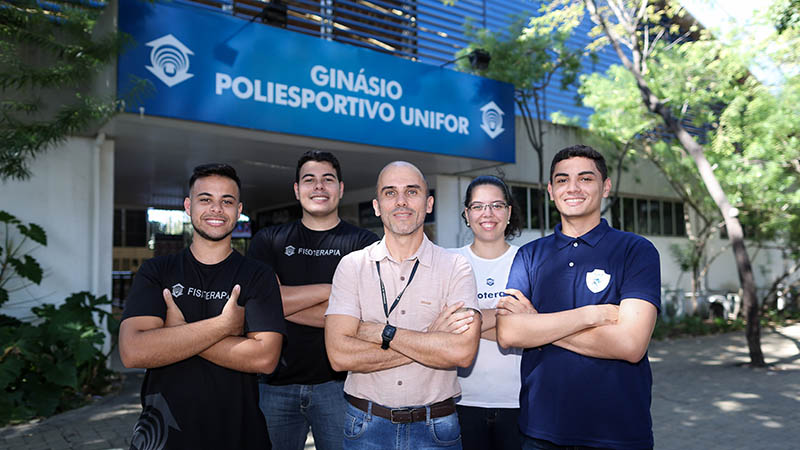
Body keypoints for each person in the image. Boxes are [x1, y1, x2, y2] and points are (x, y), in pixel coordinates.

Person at [497, 145, 660, 450]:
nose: (572, 188)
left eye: (585, 179)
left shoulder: (636, 251)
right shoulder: (529, 256)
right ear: (550, 190)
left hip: (618, 432)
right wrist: (591, 315)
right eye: (562, 180)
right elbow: (508, 333)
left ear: (606, 187)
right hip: (540, 432)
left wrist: (537, 325)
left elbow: (631, 345)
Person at [119, 163, 285, 449]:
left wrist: (178, 333)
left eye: (227, 201)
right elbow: (133, 352)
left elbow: (264, 359)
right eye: (205, 199)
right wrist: (223, 327)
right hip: (164, 436)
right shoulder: (157, 271)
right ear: (188, 205)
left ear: (239, 209)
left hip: (239, 435)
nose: (216, 209)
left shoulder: (258, 275)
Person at [325, 161, 482, 450]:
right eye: (390, 193)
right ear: (376, 206)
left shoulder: (456, 267)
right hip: (365, 426)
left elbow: (461, 352)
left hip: (437, 428)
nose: (401, 201)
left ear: (429, 202)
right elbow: (338, 355)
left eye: (412, 191)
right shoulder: (352, 266)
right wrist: (431, 338)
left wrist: (381, 333)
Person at [247, 150, 379, 450]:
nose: (318, 186)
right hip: (274, 385)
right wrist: (336, 291)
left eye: (327, 179)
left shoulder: (364, 245)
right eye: (309, 179)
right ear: (297, 189)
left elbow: (366, 314)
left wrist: (283, 303)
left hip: (343, 386)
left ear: (340, 189)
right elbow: (263, 304)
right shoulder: (269, 240)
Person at [451, 175, 523, 450]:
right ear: (467, 214)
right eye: (478, 206)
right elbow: (441, 326)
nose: (487, 213)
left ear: (508, 212)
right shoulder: (449, 261)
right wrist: (509, 318)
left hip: (518, 402)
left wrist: (468, 319)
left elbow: (535, 327)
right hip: (461, 401)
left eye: (496, 205)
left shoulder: (529, 260)